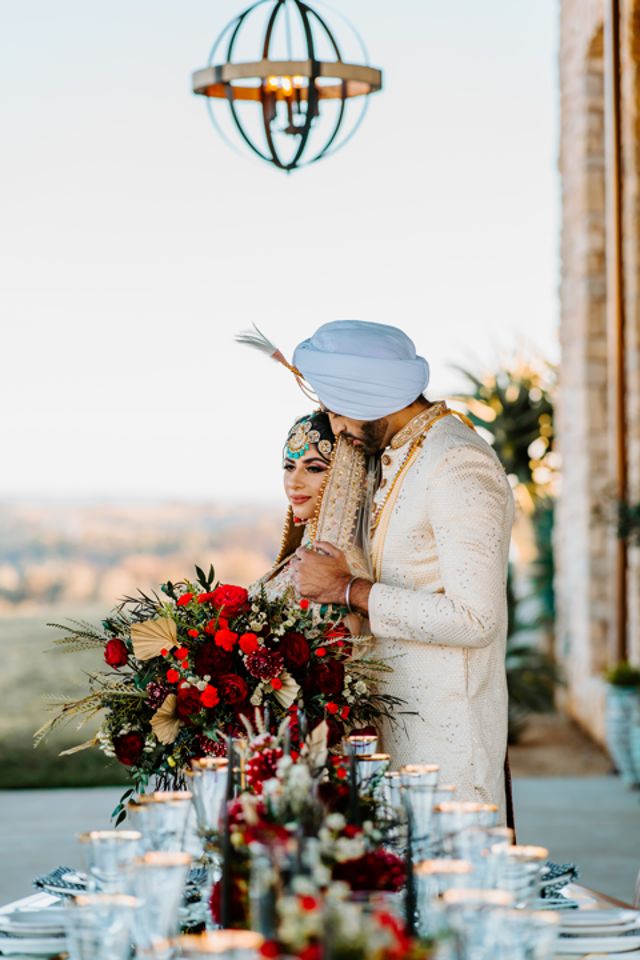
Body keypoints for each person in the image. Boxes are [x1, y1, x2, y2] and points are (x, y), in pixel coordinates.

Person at [280, 320, 515, 822]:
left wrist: (350, 589)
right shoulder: (396, 456)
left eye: (336, 410)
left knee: (451, 897)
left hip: (449, 750)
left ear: (368, 396)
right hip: (395, 736)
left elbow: (476, 618)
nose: (334, 425)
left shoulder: (457, 464)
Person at [252, 409, 372, 641]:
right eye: (289, 467)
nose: (294, 482)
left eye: (313, 468)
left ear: (347, 476)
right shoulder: (303, 553)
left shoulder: (341, 568)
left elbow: (340, 668)